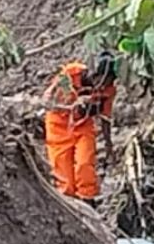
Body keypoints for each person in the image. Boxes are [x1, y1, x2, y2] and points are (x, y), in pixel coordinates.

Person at [43, 51, 118, 202]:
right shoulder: (71, 73)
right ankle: (68, 204)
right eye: (101, 80)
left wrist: (109, 145)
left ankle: (88, 199)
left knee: (85, 163)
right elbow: (48, 100)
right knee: (64, 178)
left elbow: (105, 117)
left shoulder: (108, 90)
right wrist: (74, 105)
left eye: (108, 81)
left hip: (83, 127)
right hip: (59, 126)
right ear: (93, 73)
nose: (103, 85)